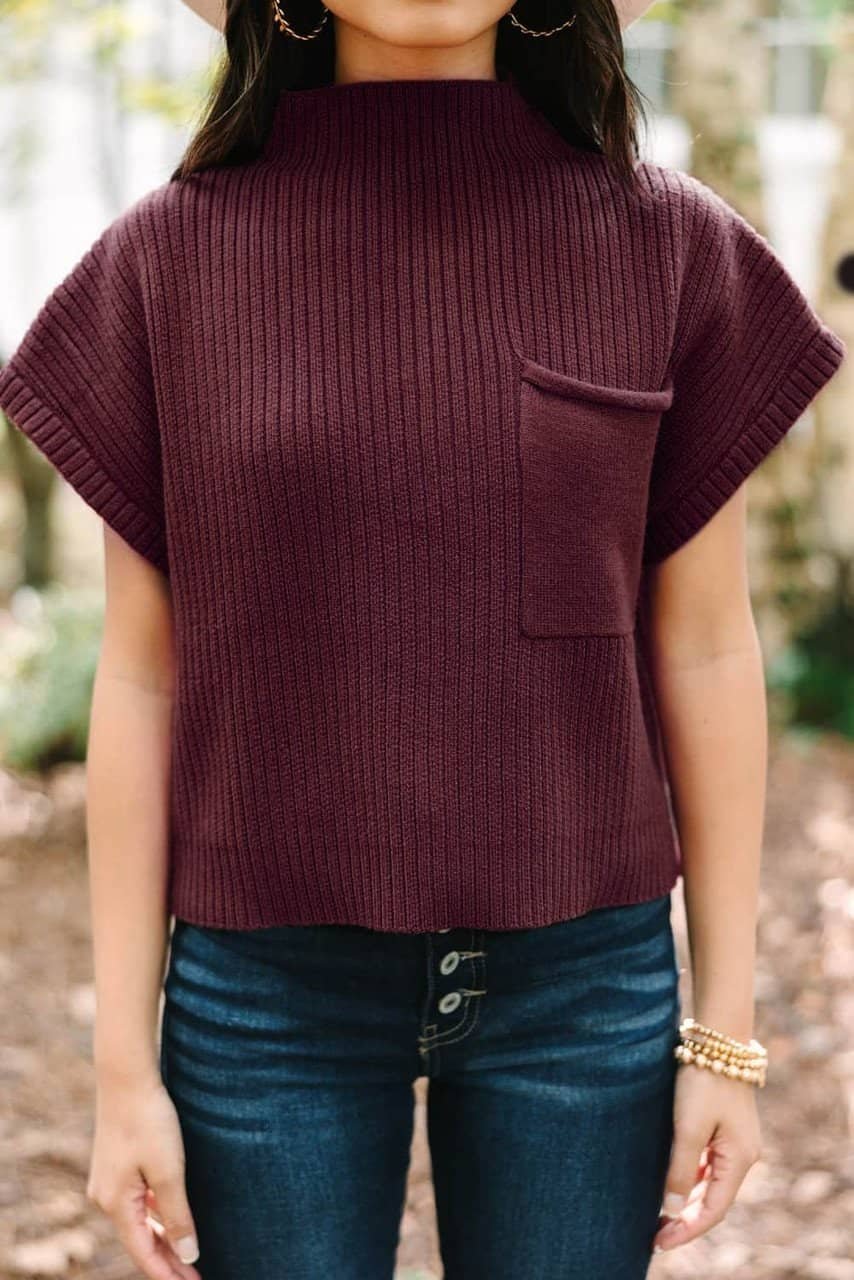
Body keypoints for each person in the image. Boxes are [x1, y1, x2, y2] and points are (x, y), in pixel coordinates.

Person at [0, 2, 845, 1277]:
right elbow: (141, 675)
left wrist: (723, 1036)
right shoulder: (166, 263)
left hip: (582, 988)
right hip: (264, 996)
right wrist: (123, 1069)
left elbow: (708, 650)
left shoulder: (667, 245)